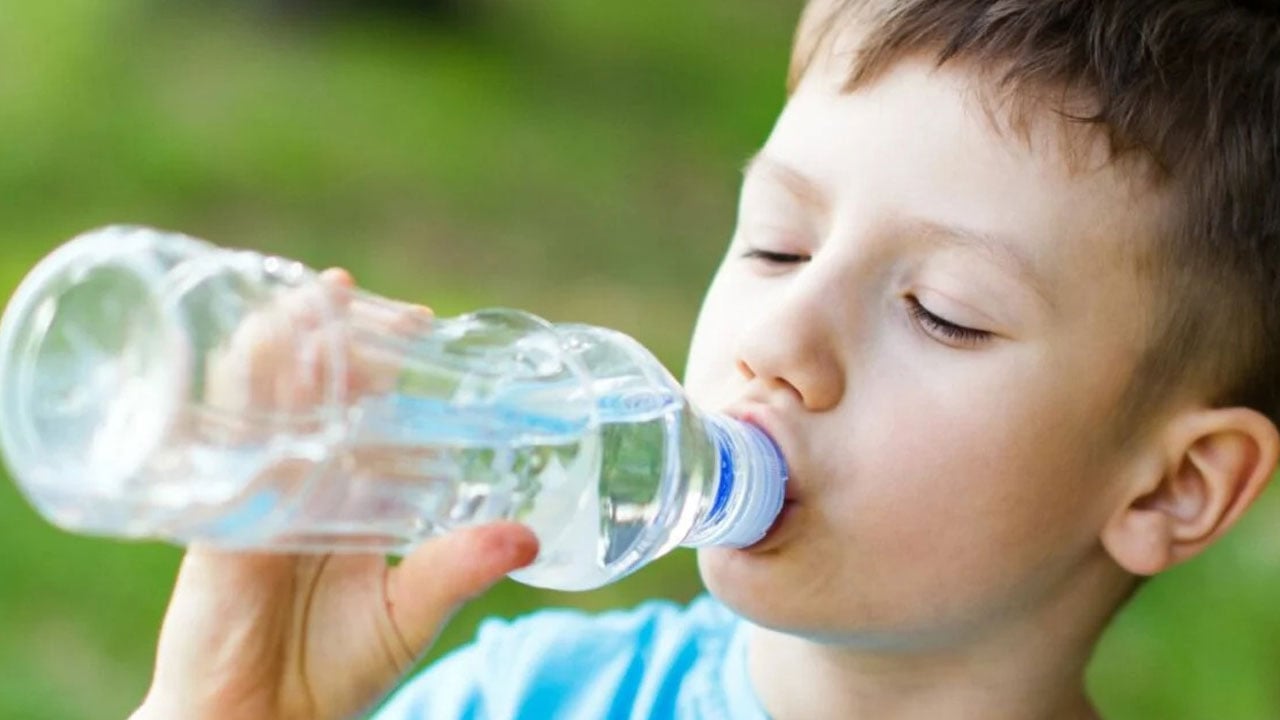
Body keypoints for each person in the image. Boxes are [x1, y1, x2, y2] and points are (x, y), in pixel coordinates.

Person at [129, 1, 1280, 718]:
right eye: (777, 243)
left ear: (1173, 487)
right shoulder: (524, 701)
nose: (778, 343)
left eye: (941, 312)